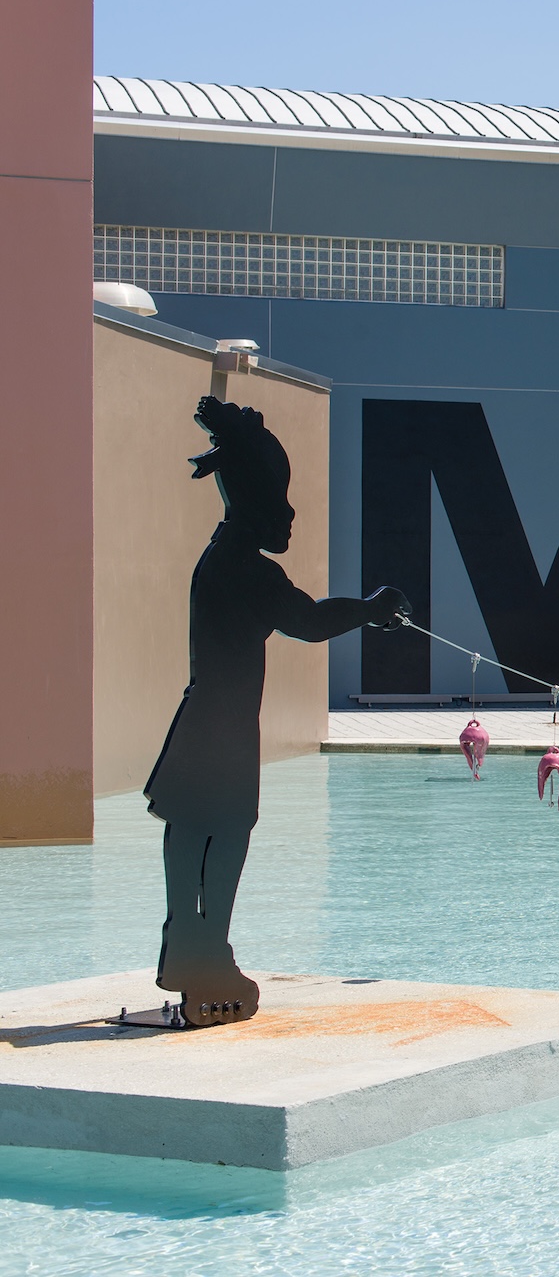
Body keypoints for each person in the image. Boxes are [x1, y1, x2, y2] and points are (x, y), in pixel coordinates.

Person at [146, 397, 408, 1026]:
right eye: (280, 500)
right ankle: (205, 952)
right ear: (255, 503)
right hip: (225, 728)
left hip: (202, 716)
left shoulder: (220, 561)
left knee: (192, 829)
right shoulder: (245, 572)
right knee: (226, 830)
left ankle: (192, 946)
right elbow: (309, 621)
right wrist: (372, 609)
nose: (290, 512)